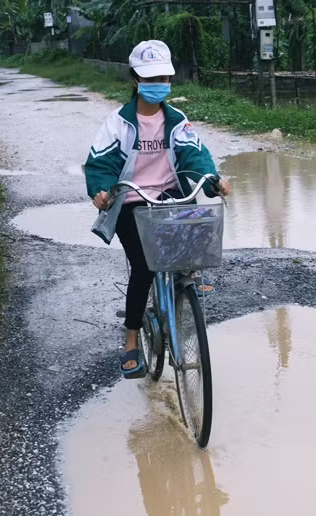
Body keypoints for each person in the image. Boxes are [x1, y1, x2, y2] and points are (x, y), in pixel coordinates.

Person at [84, 40, 231, 379]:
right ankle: (131, 340)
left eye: (163, 78)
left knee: (190, 238)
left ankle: (185, 276)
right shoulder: (118, 123)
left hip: (170, 196)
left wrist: (213, 181)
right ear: (135, 79)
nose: (158, 84)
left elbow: (195, 155)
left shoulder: (176, 120)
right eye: (151, 79)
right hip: (132, 201)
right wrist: (101, 190)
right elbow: (101, 162)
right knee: (144, 267)